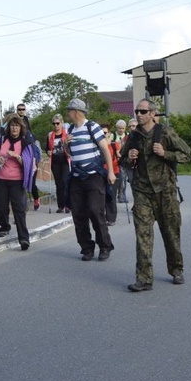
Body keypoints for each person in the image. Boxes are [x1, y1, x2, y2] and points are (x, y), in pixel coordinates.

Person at [122, 99, 191, 292]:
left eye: (143, 111)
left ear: (153, 113)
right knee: (142, 235)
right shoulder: (133, 137)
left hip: (166, 192)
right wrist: (129, 158)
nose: (139, 114)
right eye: (137, 111)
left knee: (171, 233)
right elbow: (122, 160)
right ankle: (144, 279)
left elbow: (187, 154)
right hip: (142, 191)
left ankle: (176, 269)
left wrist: (165, 153)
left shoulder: (165, 133)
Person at [63, 99, 115, 262]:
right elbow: (69, 154)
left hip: (93, 176)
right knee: (78, 214)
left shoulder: (92, 126)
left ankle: (104, 246)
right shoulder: (70, 129)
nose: (68, 113)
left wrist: (111, 172)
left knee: (95, 211)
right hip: (77, 177)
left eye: (69, 110)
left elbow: (105, 148)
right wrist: (65, 144)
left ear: (76, 111)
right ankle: (87, 248)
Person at [0, 115, 35, 250]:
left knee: (19, 210)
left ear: (21, 128)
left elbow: (28, 163)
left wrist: (17, 156)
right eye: (12, 125)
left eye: (17, 126)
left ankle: (24, 239)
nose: (14, 128)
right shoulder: (2, 140)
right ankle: (5, 226)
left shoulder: (25, 143)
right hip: (1, 179)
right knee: (2, 207)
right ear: (8, 128)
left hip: (17, 181)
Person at [15, 103, 41, 209]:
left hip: (30, 158)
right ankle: (22, 207)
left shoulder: (28, 130)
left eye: (23, 109)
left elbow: (32, 145)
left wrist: (34, 161)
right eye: (19, 109)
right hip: (19, 157)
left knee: (32, 183)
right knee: (21, 183)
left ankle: (36, 198)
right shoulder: (13, 122)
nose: (21, 111)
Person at [45, 114, 70, 213]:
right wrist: (48, 152)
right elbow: (47, 148)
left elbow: (71, 146)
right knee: (58, 184)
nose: (56, 125)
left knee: (65, 182)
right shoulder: (50, 135)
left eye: (58, 123)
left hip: (65, 161)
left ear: (62, 123)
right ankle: (61, 206)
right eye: (54, 123)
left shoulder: (67, 133)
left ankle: (68, 205)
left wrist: (69, 152)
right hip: (54, 162)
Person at [100, 122, 121, 226]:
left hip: (114, 172)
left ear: (109, 134)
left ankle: (111, 218)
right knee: (102, 195)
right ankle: (102, 217)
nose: (103, 134)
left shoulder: (114, 144)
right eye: (101, 133)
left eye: (105, 132)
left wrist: (120, 157)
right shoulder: (97, 145)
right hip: (101, 173)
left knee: (111, 195)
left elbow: (119, 155)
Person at [114, 119, 129, 203]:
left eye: (122, 128)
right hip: (115, 161)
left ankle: (122, 195)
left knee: (123, 178)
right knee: (118, 178)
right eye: (119, 128)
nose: (121, 130)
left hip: (124, 160)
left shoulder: (127, 135)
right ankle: (117, 194)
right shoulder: (113, 135)